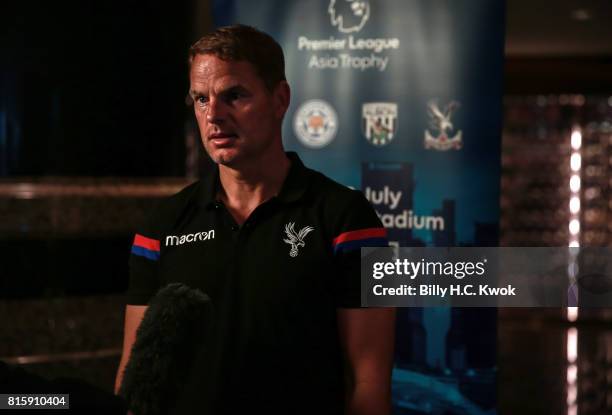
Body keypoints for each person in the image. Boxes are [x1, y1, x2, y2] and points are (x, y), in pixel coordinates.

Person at [115, 24, 395, 415]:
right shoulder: (162, 223)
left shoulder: (347, 218)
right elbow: (136, 378)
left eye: (234, 96)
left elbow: (368, 381)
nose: (213, 115)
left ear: (280, 99)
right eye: (200, 98)